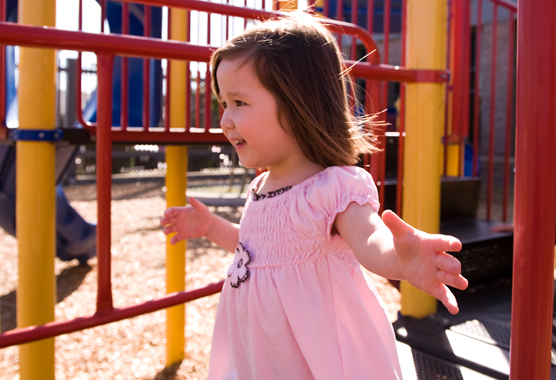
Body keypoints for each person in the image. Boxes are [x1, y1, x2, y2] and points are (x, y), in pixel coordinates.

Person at [160, 14, 468, 380]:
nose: (225, 119)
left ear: (297, 103)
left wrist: (401, 261)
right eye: (223, 102)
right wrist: (211, 226)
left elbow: (369, 238)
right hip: (260, 351)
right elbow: (254, 250)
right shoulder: (261, 188)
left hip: (314, 356)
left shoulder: (332, 189)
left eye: (239, 102)